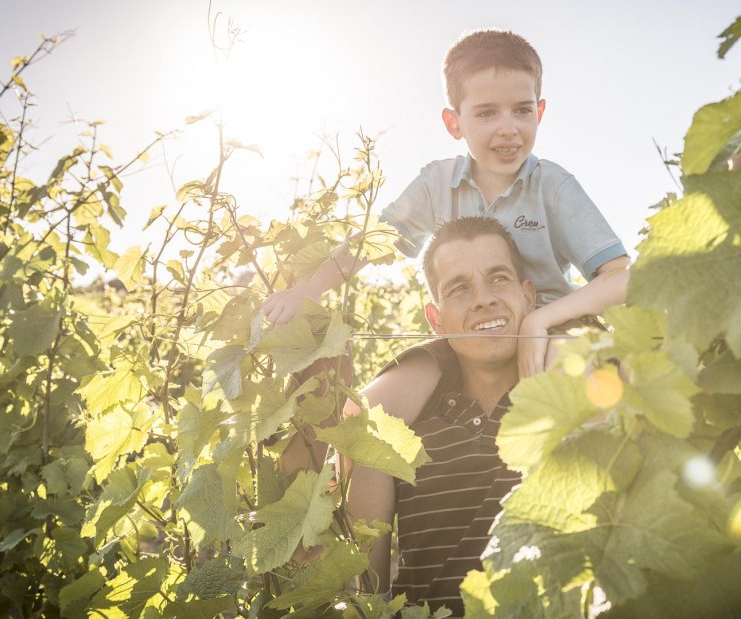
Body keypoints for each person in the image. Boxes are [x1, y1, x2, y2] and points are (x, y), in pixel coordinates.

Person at [260, 29, 630, 426]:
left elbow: (622, 276)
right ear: (454, 123)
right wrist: (309, 289)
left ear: (538, 112)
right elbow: (375, 243)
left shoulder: (553, 186)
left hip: (553, 332)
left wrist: (540, 319)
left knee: (581, 382)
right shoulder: (436, 184)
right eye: (487, 113)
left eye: (521, 110)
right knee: (368, 411)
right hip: (467, 340)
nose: (508, 128)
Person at [345, 217, 538, 616]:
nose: (483, 299)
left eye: (498, 278)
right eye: (459, 288)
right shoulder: (404, 431)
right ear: (435, 320)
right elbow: (368, 593)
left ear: (529, 297)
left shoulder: (564, 405)